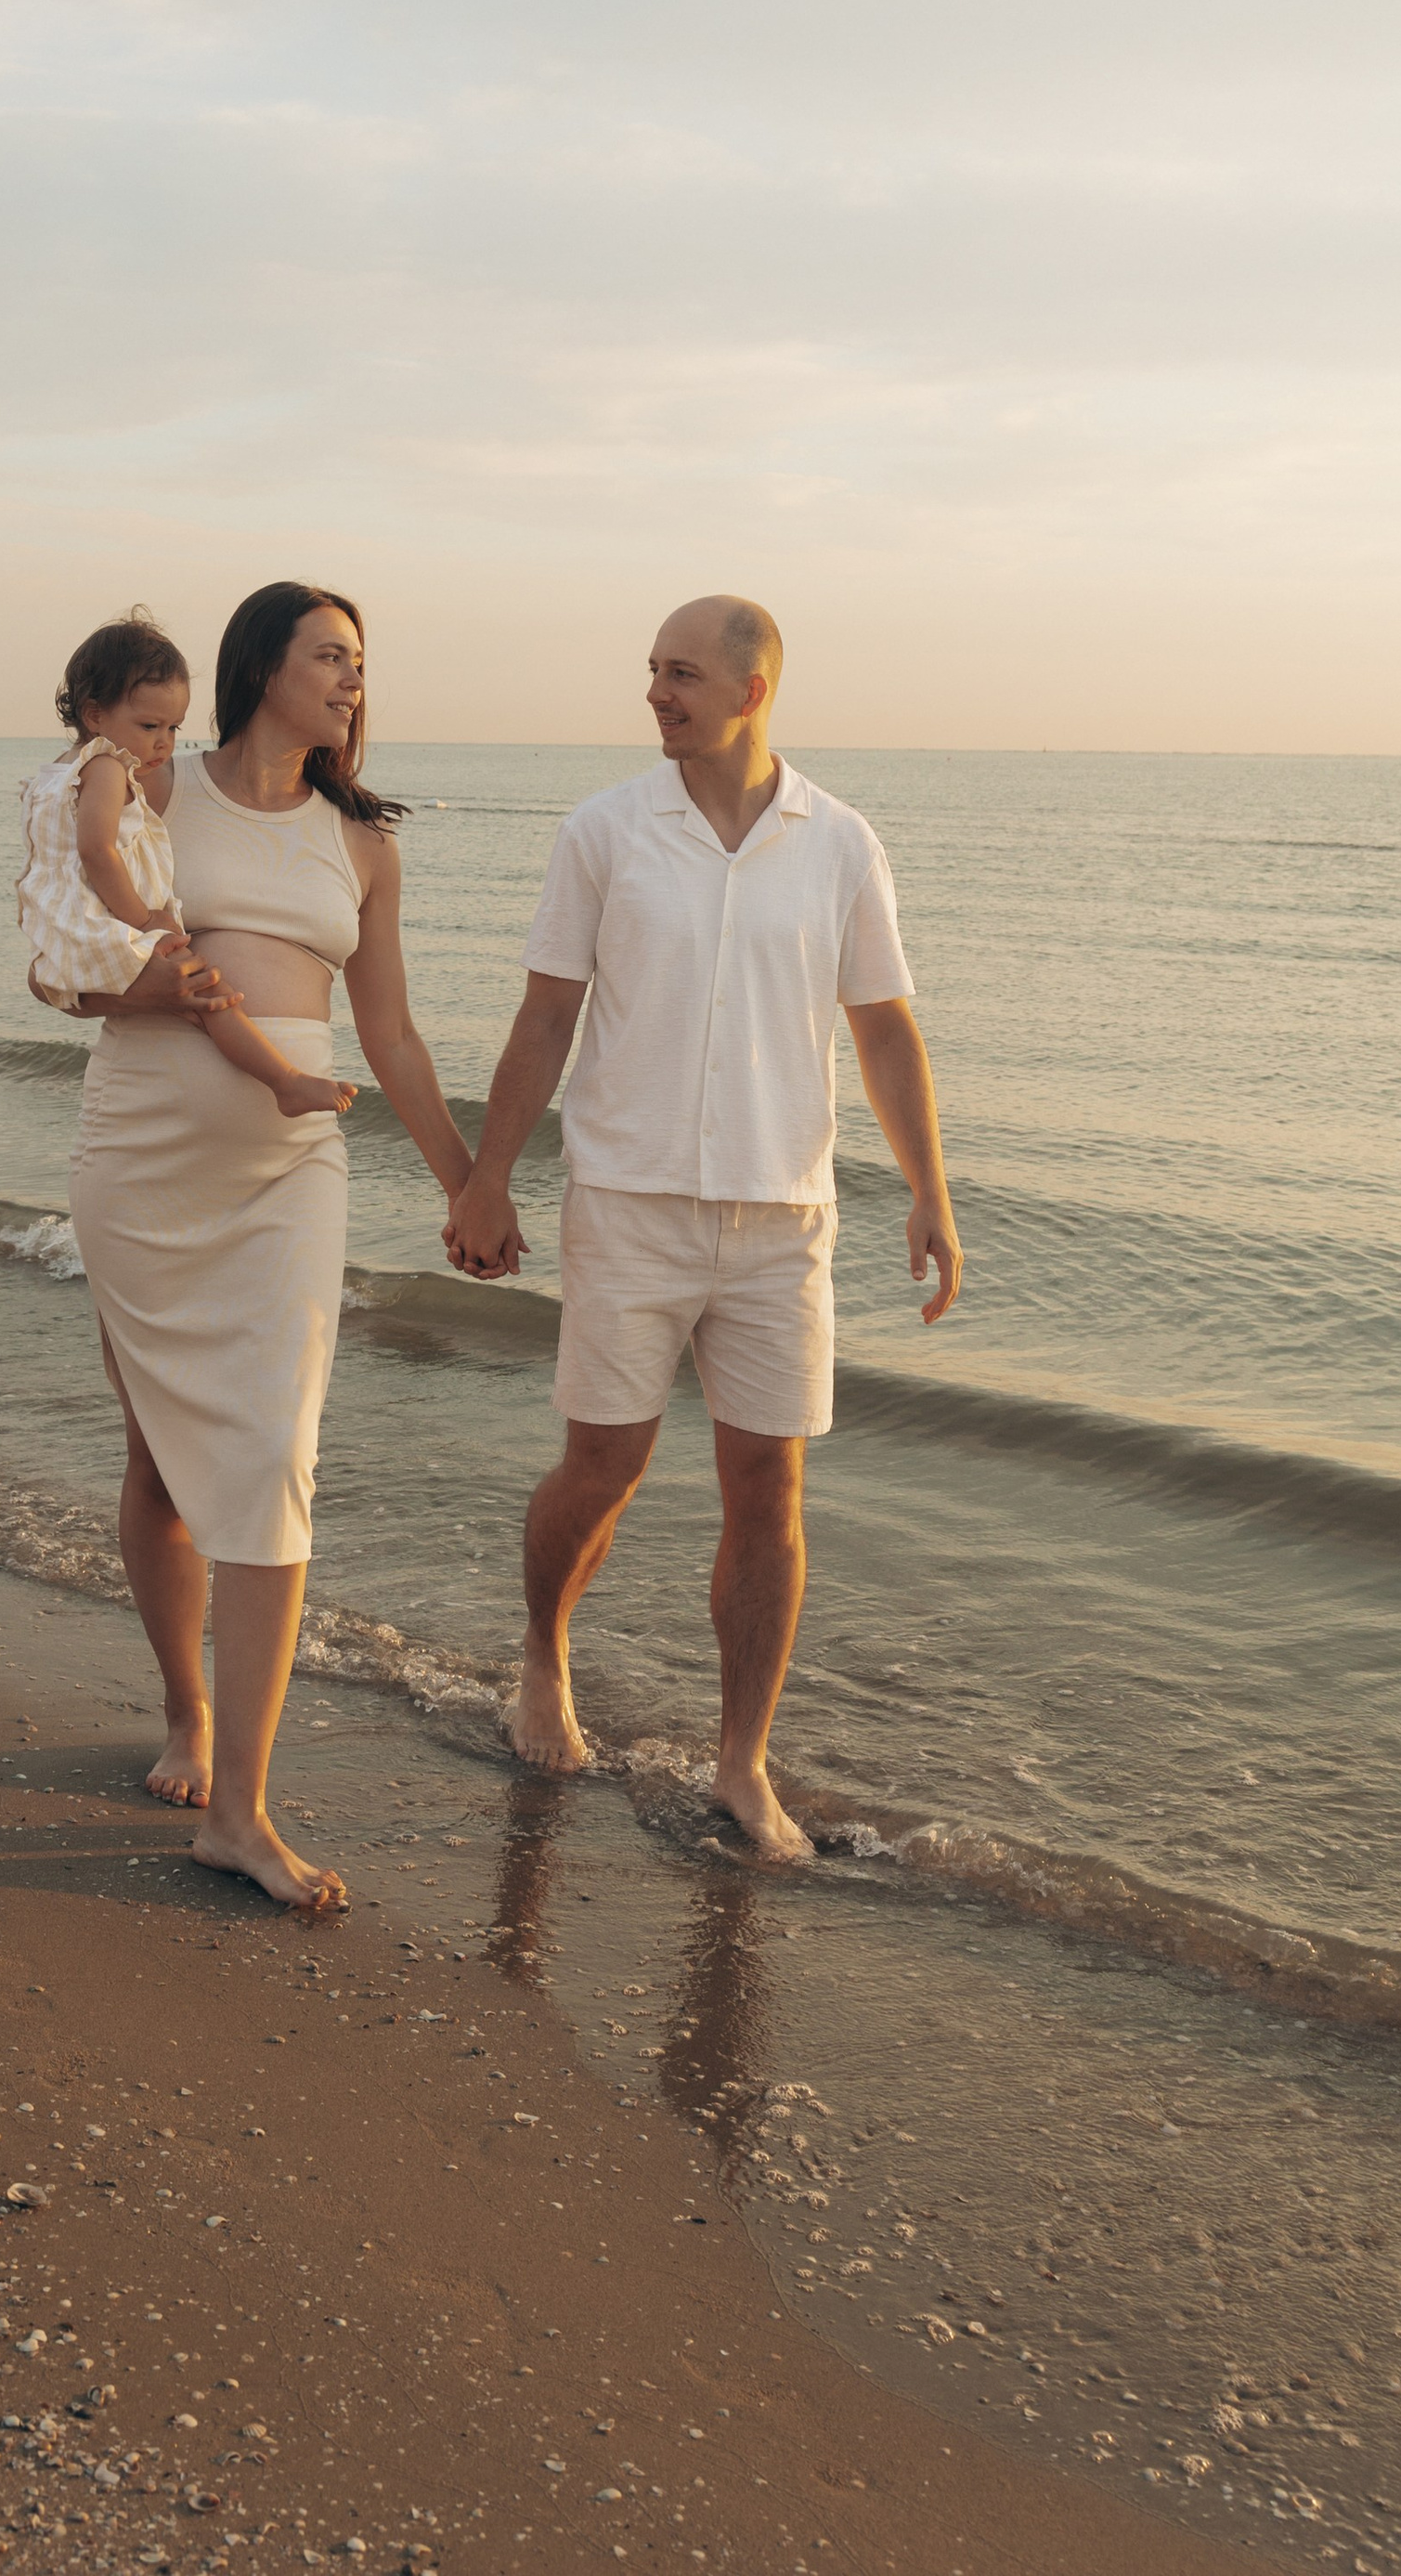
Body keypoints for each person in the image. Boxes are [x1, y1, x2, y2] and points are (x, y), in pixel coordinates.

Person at [444, 594, 964, 1861]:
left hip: (785, 1216)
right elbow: (545, 1018)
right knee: (604, 1465)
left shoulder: (839, 843)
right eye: (652, 673)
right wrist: (487, 1176)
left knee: (768, 1491)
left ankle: (742, 1762)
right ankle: (545, 1656)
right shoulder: (605, 833)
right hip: (628, 1204)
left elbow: (884, 1030)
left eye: (679, 675)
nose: (656, 695)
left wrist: (932, 1193)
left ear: (751, 689)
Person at [55, 581, 473, 1916]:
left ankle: (242, 1807)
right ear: (262, 666)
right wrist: (149, 987)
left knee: (274, 1461)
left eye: (361, 662)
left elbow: (393, 1037)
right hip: (144, 1153)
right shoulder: (157, 791)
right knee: (165, 1465)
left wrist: (471, 1183)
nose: (353, 679)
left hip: (290, 1171)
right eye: (330, 656)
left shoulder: (362, 847)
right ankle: (186, 1712)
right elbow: (59, 971)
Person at [19, 608, 356, 1120]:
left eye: (174, 728)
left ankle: (280, 1079)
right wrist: (143, 919)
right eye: (149, 725)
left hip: (65, 920)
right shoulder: (107, 767)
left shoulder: (57, 772)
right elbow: (97, 851)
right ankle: (284, 1081)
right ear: (95, 716)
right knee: (207, 988)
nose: (163, 744)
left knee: (198, 1003)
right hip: (103, 919)